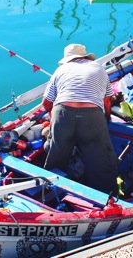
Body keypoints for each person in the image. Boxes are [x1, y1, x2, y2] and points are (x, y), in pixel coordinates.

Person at [42, 43, 118, 194]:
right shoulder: (99, 68)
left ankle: (50, 194)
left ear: (67, 59)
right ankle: (105, 197)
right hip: (92, 115)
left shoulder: (60, 70)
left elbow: (46, 103)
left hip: (62, 113)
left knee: (57, 156)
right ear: (85, 56)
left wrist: (55, 117)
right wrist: (106, 118)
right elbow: (107, 101)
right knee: (99, 158)